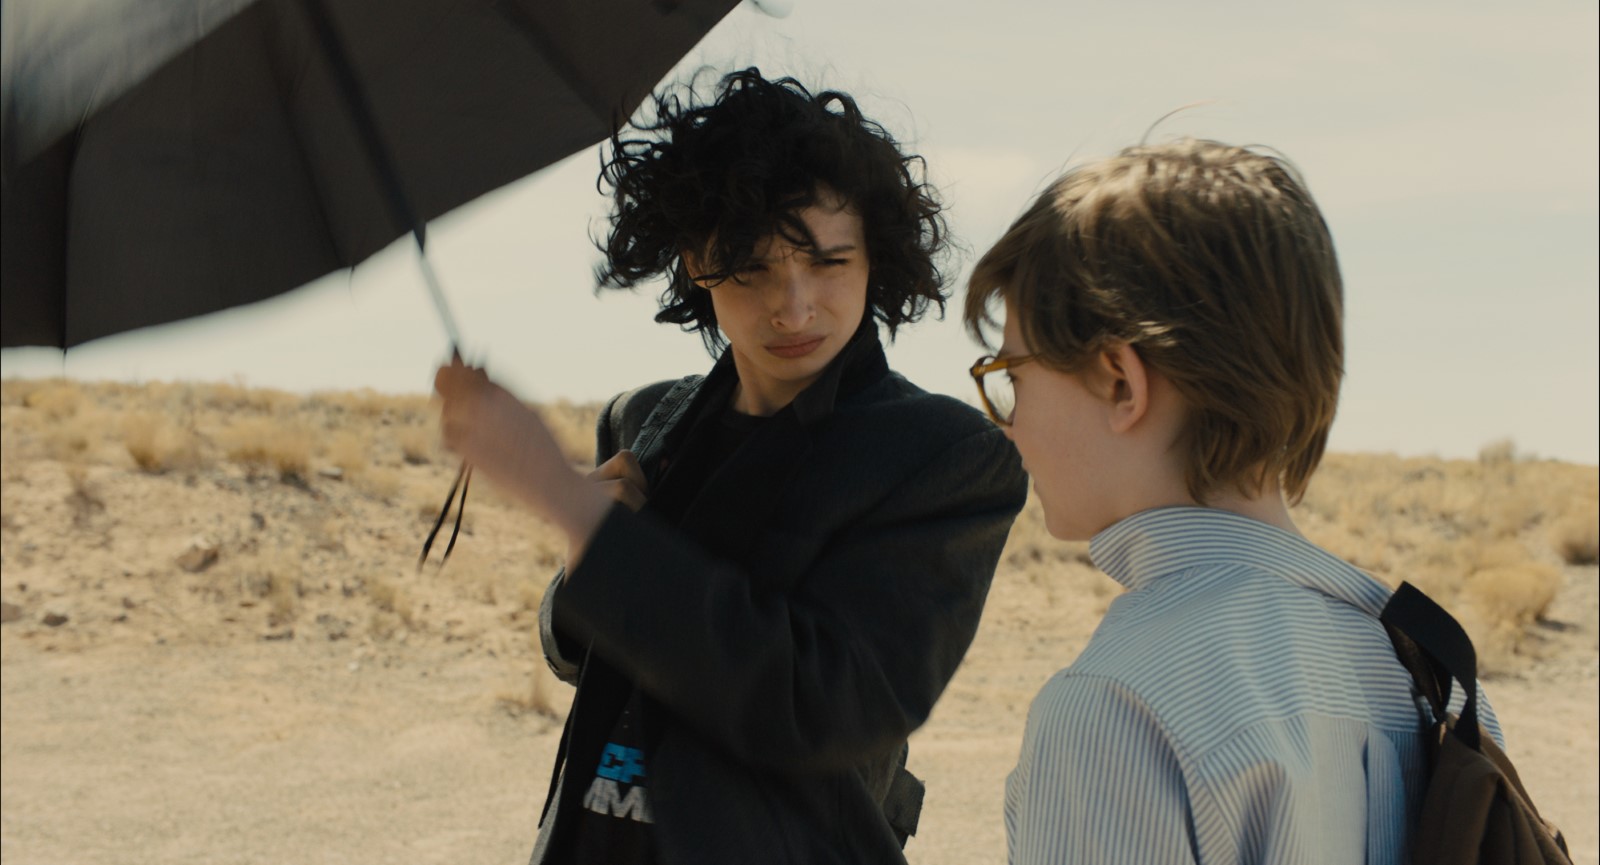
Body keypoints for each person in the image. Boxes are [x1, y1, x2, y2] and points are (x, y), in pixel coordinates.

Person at [434, 69, 1027, 865]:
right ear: (695, 260)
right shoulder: (644, 418)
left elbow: (820, 707)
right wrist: (588, 560)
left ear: (874, 258)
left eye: (829, 262)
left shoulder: (943, 457)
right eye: (752, 267)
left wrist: (576, 510)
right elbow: (579, 651)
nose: (794, 305)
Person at [963, 138, 1502, 864]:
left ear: (1121, 381)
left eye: (1013, 376)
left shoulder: (1117, 705)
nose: (1009, 423)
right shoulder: (1434, 679)